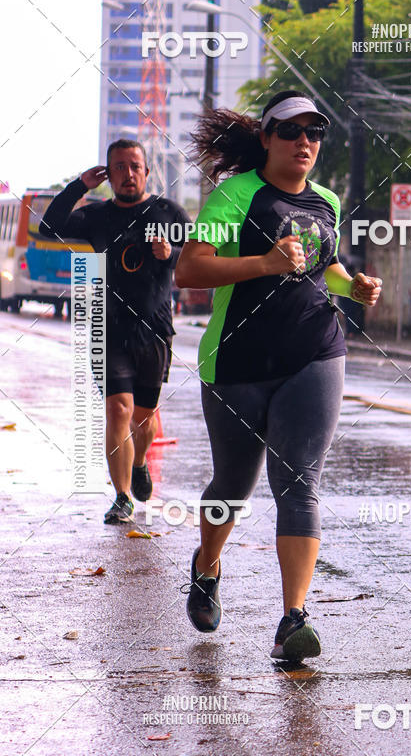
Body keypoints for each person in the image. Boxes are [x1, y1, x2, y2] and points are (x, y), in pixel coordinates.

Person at [176, 90, 382, 663]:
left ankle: (293, 619)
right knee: (232, 487)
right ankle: (206, 565)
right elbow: (191, 268)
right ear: (266, 138)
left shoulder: (326, 202)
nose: (304, 142)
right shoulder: (237, 195)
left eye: (314, 132)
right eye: (291, 132)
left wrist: (353, 285)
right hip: (238, 362)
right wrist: (265, 263)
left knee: (298, 485)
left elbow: (326, 267)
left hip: (316, 353)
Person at [40, 139, 189, 524]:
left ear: (146, 171)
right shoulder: (96, 215)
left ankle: (140, 461)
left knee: (144, 414)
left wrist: (170, 254)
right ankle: (122, 497)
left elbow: (203, 254)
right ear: (108, 173)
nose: (127, 174)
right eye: (119, 167)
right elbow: (48, 226)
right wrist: (78, 186)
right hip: (108, 327)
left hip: (155, 329)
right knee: (117, 408)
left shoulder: (167, 212)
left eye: (134, 166)